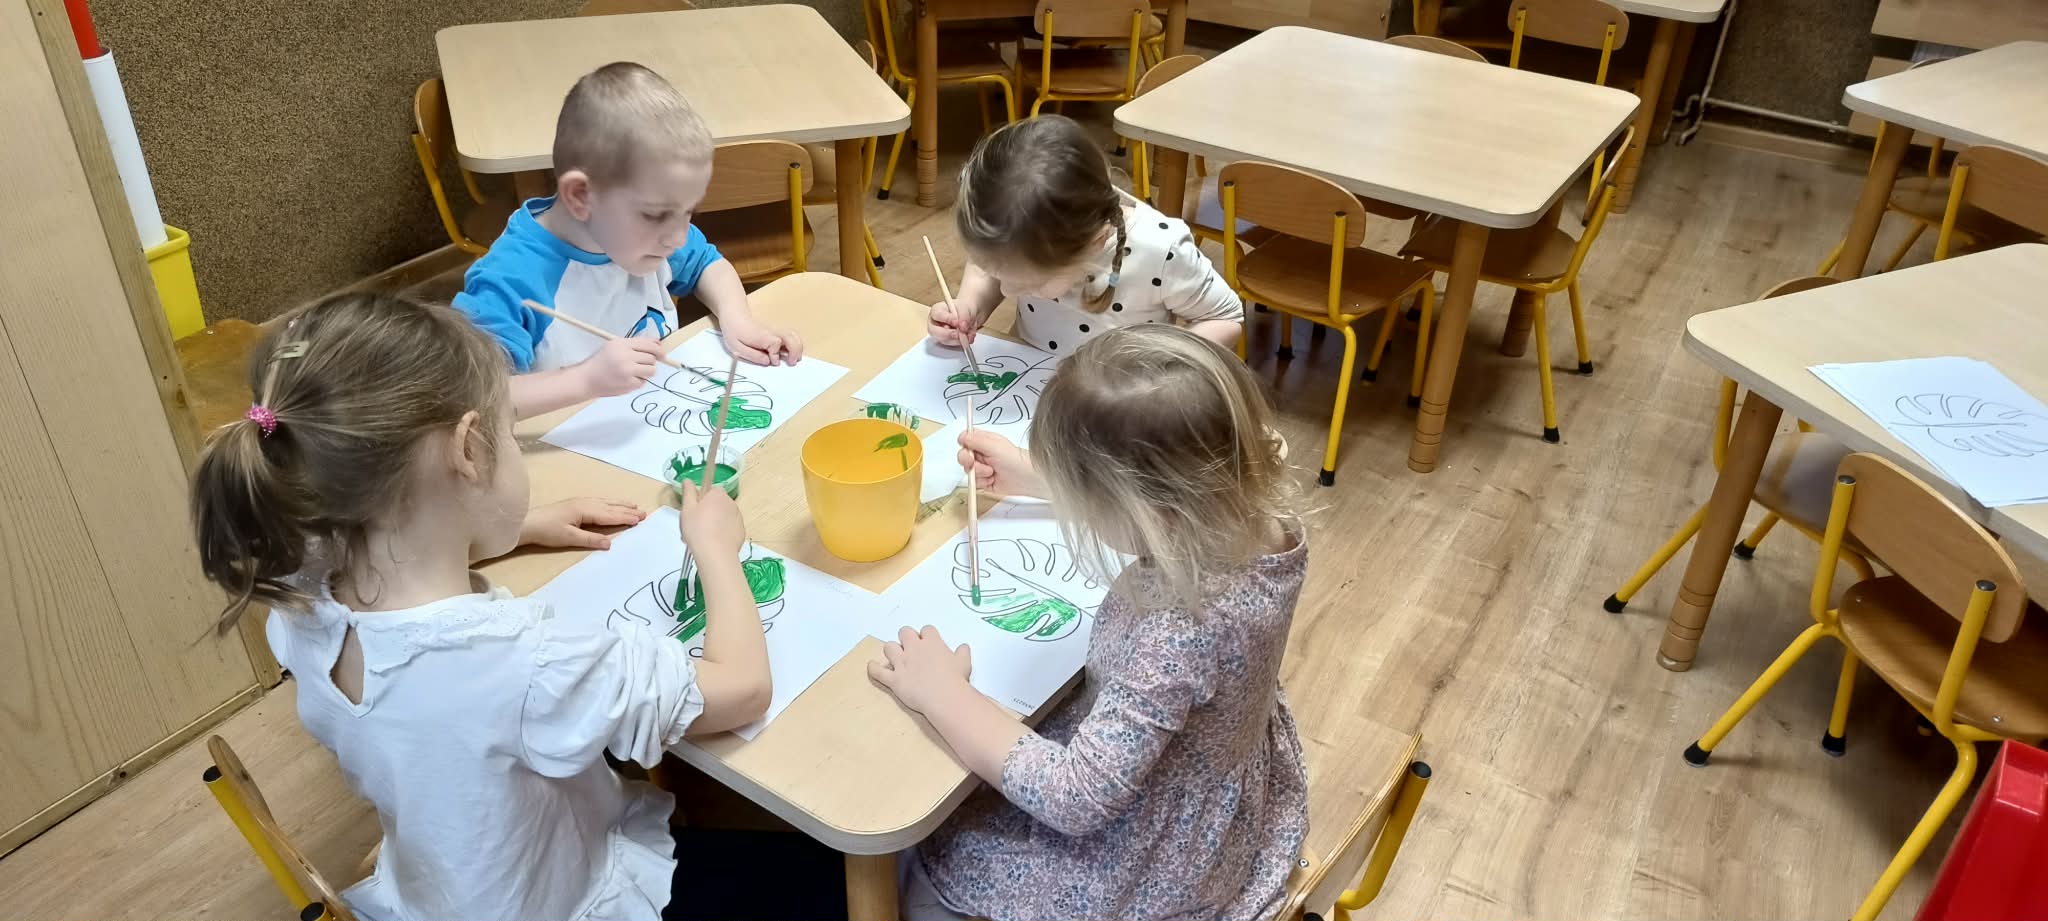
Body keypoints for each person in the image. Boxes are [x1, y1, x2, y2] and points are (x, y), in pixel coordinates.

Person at [190, 291, 771, 921]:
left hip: (436, 890)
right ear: (468, 451)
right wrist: (716, 548)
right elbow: (743, 690)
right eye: (510, 434)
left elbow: (391, 560)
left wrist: (519, 527)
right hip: (561, 900)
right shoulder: (523, 664)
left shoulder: (297, 591)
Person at [870, 324, 1308, 921]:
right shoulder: (1256, 515)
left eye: (1084, 499)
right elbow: (1167, 485)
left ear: (1142, 510)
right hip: (1215, 781)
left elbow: (1075, 796)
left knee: (927, 863)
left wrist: (943, 694)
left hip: (1153, 859)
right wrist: (1041, 478)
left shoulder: (1180, 631)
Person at [454, 62, 803, 419]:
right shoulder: (511, 279)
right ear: (581, 196)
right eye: (655, 215)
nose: (678, 237)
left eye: (688, 212)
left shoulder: (645, 236)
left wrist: (737, 320)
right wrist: (585, 380)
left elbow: (706, 264)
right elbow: (473, 399)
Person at [927, 115, 1243, 358]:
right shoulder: (1020, 236)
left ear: (1094, 243)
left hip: (1117, 404)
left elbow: (1226, 316)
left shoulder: (1161, 251)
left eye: (1030, 283)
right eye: (999, 272)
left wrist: (1165, 365)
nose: (1008, 289)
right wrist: (971, 304)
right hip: (1031, 383)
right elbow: (989, 266)